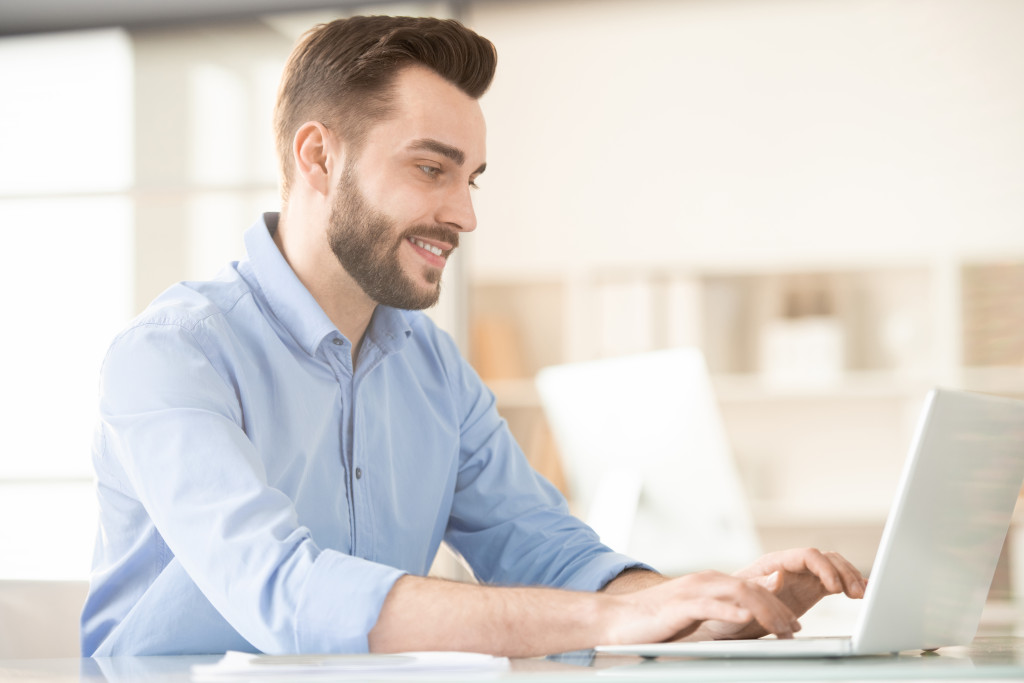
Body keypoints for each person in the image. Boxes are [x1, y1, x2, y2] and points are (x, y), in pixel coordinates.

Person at [80, 15, 865, 657]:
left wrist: (703, 602)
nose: (465, 213)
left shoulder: (431, 369)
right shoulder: (172, 356)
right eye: (431, 169)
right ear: (318, 156)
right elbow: (286, 593)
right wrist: (605, 621)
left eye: (471, 178)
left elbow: (552, 555)